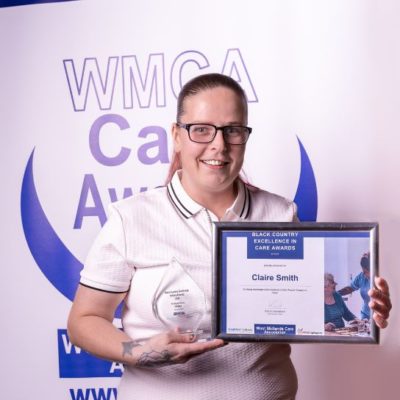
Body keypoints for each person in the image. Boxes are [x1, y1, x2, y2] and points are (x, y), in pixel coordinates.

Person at [68, 73, 391, 400]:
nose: (218, 145)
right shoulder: (133, 219)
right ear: (176, 136)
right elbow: (84, 321)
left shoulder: (280, 214)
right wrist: (141, 351)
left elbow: (302, 309)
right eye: (201, 129)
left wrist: (365, 310)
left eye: (232, 130)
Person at [338, 252, 371, 320]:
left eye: (366, 272)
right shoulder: (361, 276)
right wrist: (336, 293)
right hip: (365, 315)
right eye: (363, 271)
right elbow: (350, 288)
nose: (364, 274)